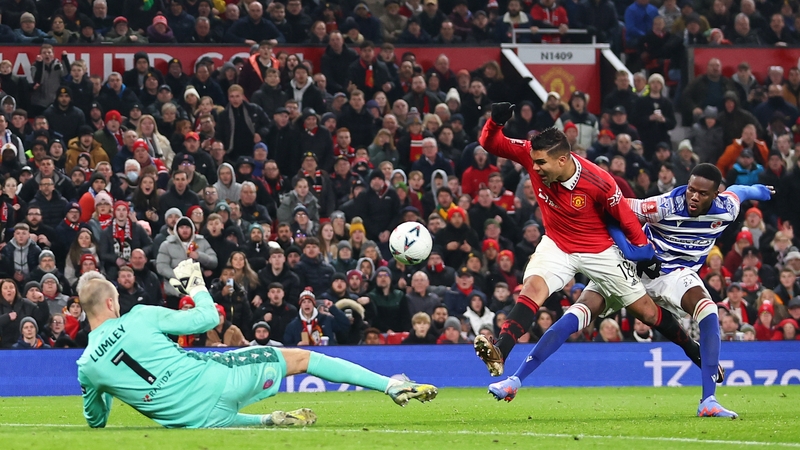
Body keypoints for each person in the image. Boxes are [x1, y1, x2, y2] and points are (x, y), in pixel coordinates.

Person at [489, 164, 772, 418]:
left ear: (715, 194)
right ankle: (514, 380)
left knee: (709, 310)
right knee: (575, 314)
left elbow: (740, 191)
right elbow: (614, 211)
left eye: (702, 193)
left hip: (674, 274)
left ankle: (708, 400)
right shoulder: (663, 205)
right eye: (690, 190)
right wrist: (630, 250)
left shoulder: (727, 208)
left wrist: (759, 190)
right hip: (633, 268)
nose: (693, 197)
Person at [76, 261, 437, 428]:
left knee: (210, 419)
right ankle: (391, 385)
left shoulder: (88, 366)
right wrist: (197, 286)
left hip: (192, 420)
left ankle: (268, 421)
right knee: (301, 357)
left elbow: (96, 421)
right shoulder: (137, 316)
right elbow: (205, 320)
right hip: (216, 382)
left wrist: (103, 385)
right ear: (111, 304)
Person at [474, 102, 655, 377]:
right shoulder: (530, 155)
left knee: (647, 313)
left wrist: (643, 249)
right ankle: (501, 350)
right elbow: (492, 144)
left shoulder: (599, 180)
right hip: (557, 243)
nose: (534, 168)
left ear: (562, 160)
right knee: (532, 289)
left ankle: (694, 349)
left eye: (541, 163)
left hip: (598, 248)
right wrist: (495, 123)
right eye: (533, 161)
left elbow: (626, 217)